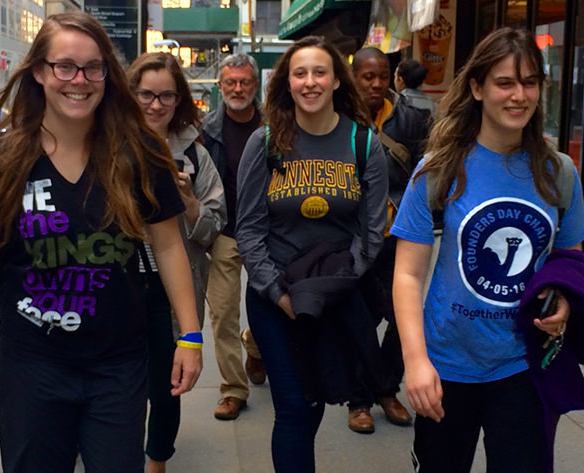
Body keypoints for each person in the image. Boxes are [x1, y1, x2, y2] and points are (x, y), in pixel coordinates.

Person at [0, 11, 202, 473]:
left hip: (118, 365)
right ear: (41, 72)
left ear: (108, 75)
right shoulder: (2, 161)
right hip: (32, 366)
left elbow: (168, 246)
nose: (79, 80)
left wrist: (190, 336)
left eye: (93, 68)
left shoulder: (140, 155)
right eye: (65, 66)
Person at [391, 27, 584, 473]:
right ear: (478, 88)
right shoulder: (439, 170)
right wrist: (416, 361)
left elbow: (570, 264)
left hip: (523, 366)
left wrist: (565, 302)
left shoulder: (559, 172)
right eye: (505, 83)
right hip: (446, 367)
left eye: (530, 82)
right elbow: (406, 275)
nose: (520, 95)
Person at [236, 35, 388, 472]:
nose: (309, 82)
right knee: (294, 408)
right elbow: (248, 229)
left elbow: (371, 230)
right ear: (287, 81)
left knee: (316, 400)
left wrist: (336, 287)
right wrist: (276, 292)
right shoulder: (264, 143)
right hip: (274, 297)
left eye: (319, 72)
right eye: (299, 73)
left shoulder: (364, 144)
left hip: (334, 299)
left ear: (338, 80)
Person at [126, 52, 226, 473]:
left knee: (168, 383)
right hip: (119, 285)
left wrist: (186, 202)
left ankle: (157, 460)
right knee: (119, 379)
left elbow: (214, 226)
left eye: (166, 95)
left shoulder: (195, 154)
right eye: (146, 94)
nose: (156, 105)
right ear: (130, 94)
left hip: (173, 290)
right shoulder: (106, 144)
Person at [348, 46, 413, 433]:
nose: (376, 83)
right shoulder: (337, 121)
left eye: (382, 76)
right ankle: (358, 401)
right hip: (353, 239)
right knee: (360, 321)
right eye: (367, 76)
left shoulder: (410, 118)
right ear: (353, 77)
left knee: (405, 318)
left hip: (399, 237)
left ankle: (387, 389)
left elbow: (425, 172)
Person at [202, 53, 265, 420]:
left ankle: (255, 348)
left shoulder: (277, 124)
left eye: (244, 82)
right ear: (221, 86)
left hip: (266, 232)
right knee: (223, 313)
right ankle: (233, 390)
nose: (238, 88)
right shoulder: (208, 128)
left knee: (268, 308)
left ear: (255, 85)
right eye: (231, 83)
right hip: (224, 232)